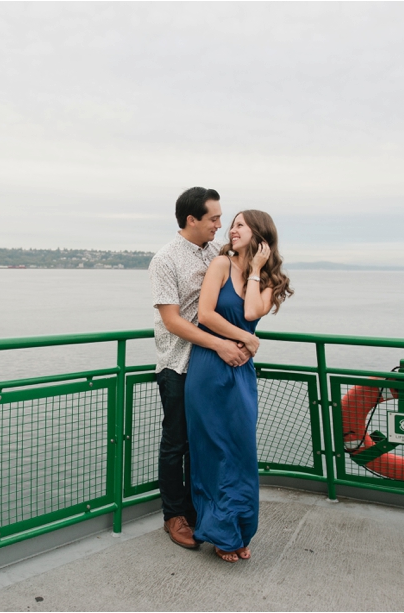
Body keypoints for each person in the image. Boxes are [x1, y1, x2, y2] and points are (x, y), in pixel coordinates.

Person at [184, 210, 294, 563]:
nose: (231, 230)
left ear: (260, 235)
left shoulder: (268, 279)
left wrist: (257, 271)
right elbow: (206, 315)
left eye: (240, 225)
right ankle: (219, 532)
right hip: (210, 366)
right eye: (231, 224)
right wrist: (245, 340)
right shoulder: (219, 265)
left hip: (241, 370)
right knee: (214, 450)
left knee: (241, 451)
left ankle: (238, 529)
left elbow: (249, 313)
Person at [149, 187, 253, 550]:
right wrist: (222, 344)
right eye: (213, 219)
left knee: (207, 444)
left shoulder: (217, 253)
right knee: (177, 442)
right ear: (192, 219)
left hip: (212, 368)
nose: (220, 225)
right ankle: (174, 516)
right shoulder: (165, 260)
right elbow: (172, 321)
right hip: (179, 364)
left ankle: (201, 510)